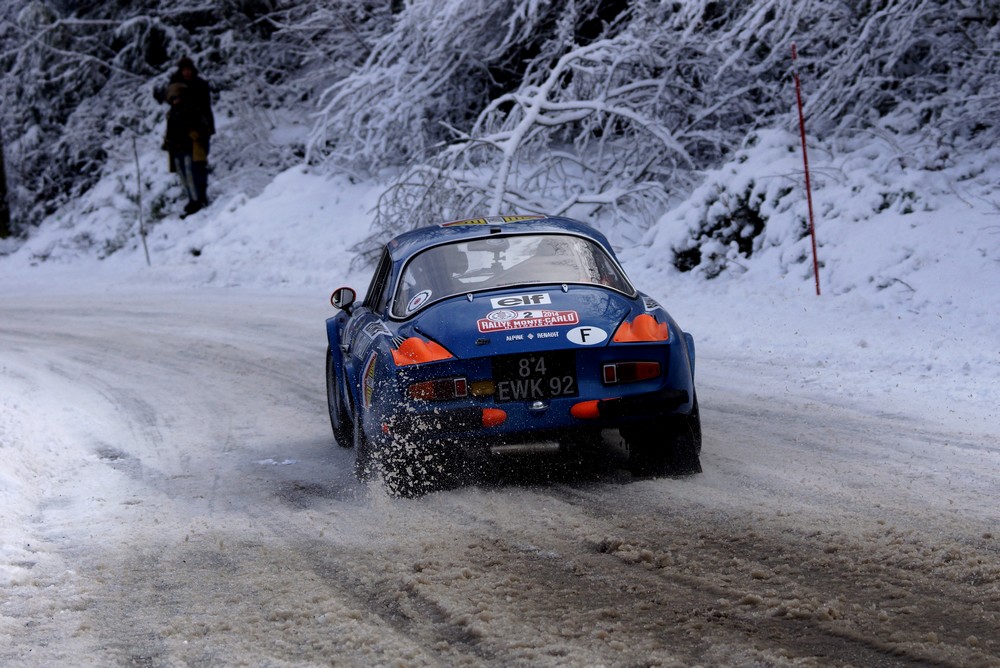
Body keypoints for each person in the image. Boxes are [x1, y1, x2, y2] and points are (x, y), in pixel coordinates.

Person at [155, 57, 214, 215]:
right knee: (185, 171)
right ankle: (194, 199)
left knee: (196, 168)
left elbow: (205, 110)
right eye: (184, 70)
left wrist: (206, 131)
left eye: (189, 69)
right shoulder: (174, 106)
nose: (186, 72)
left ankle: (199, 199)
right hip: (181, 141)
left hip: (196, 135)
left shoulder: (199, 86)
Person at [163, 82, 210, 216]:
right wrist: (167, 142)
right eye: (173, 98)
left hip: (190, 148)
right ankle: (192, 200)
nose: (175, 101)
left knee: (192, 175)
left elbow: (202, 128)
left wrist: (195, 134)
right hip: (177, 149)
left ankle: (197, 201)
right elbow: (170, 130)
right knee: (183, 177)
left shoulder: (192, 109)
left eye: (177, 97)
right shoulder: (172, 113)